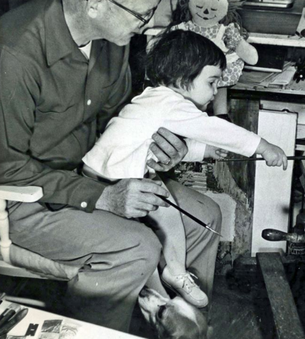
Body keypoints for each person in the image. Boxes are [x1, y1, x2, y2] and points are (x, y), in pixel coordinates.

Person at [0, 0, 221, 333]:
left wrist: (158, 146)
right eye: (143, 14)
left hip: (97, 171)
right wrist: (102, 197)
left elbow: (117, 119)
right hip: (26, 199)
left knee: (204, 217)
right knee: (136, 246)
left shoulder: (111, 36)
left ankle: (174, 327)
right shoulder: (15, 55)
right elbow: (8, 168)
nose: (148, 24)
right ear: (94, 4)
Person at [82, 29, 288, 307]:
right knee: (161, 220)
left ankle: (173, 275)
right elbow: (214, 128)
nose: (216, 92)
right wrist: (262, 146)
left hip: (106, 175)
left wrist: (205, 151)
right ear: (181, 80)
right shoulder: (170, 103)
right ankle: (171, 279)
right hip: (109, 183)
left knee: (167, 214)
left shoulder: (156, 100)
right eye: (212, 82)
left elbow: (159, 140)